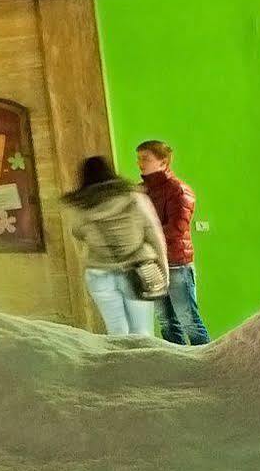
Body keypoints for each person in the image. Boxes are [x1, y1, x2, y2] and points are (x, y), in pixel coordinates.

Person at [63, 155, 168, 337]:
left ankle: (121, 365)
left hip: (99, 272)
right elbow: (154, 234)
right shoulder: (134, 197)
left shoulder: (81, 206)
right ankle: (143, 366)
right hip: (137, 269)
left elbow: (77, 232)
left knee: (117, 331)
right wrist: (163, 267)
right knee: (142, 333)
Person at [137, 140, 209, 345]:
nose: (140, 163)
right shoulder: (142, 191)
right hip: (154, 264)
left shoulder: (178, 190)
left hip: (177, 262)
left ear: (163, 162)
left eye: (146, 158)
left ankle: (207, 365)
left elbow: (177, 228)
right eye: (139, 158)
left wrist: (145, 239)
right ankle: (178, 366)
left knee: (189, 321)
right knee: (166, 323)